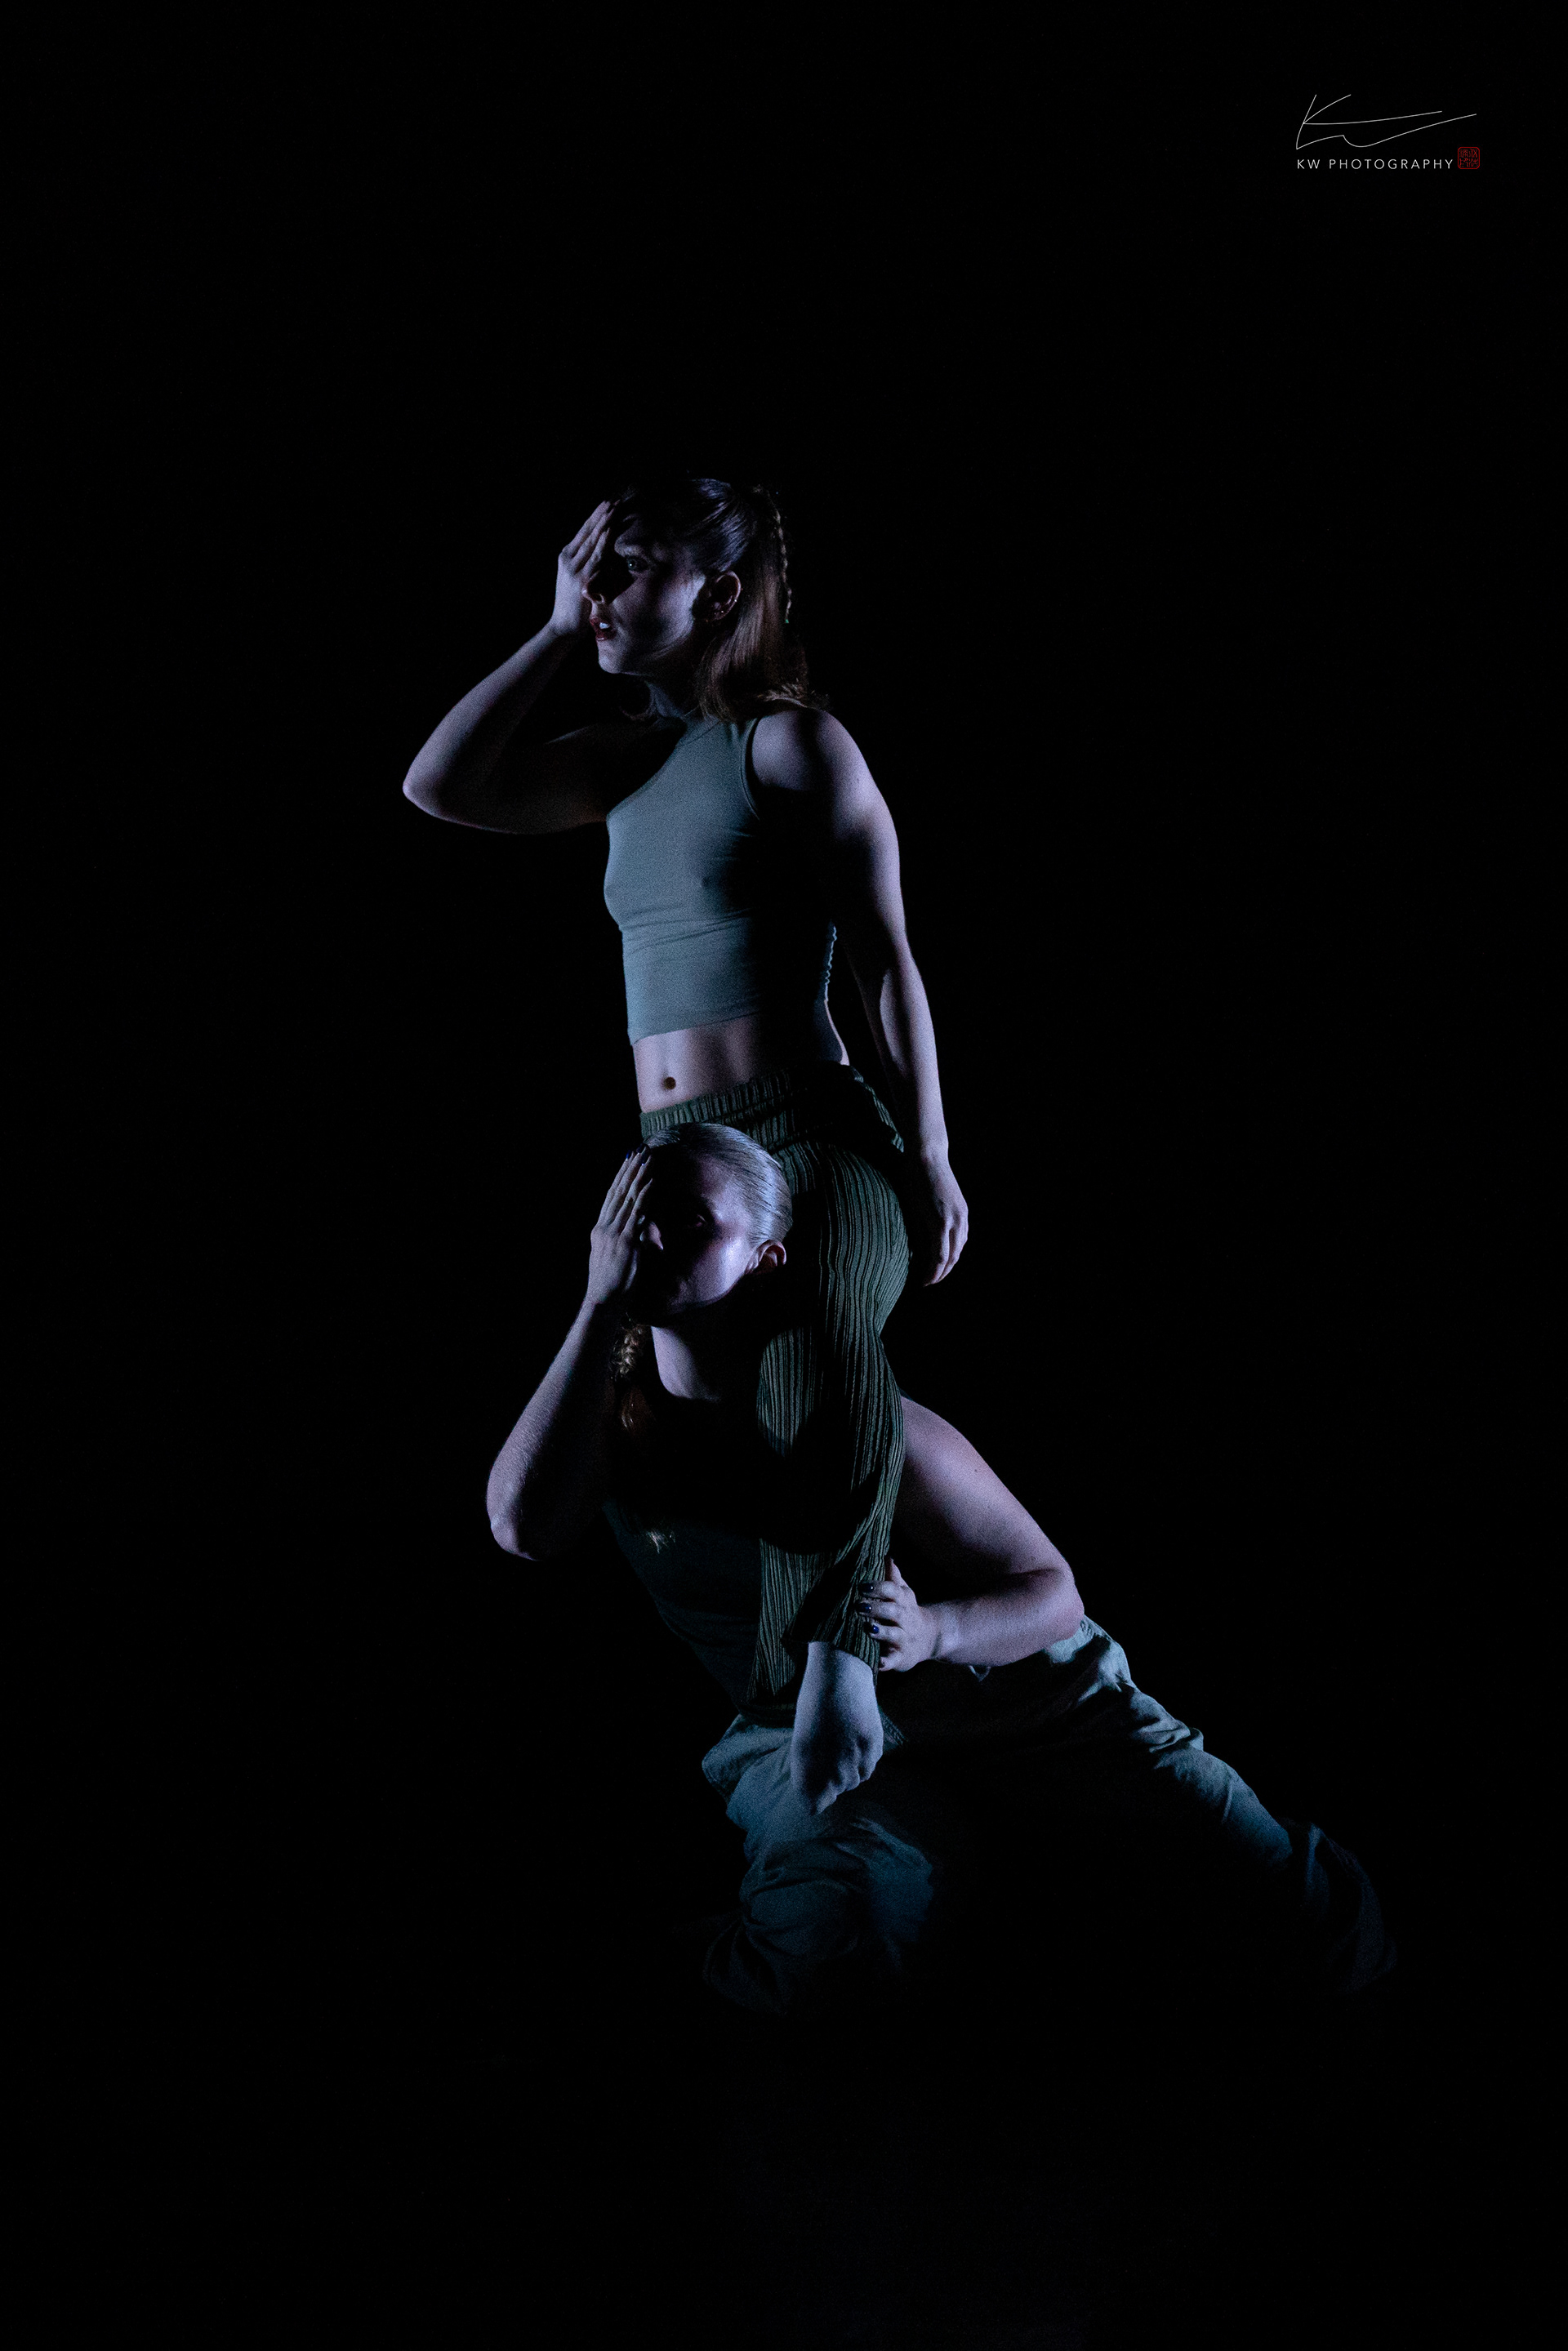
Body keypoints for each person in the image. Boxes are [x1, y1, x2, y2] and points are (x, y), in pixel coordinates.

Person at [486, 1129, 1394, 2019]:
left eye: (689, 1219)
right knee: (836, 1942)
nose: (647, 1236)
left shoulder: (871, 1420)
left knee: (1290, 1909)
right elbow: (523, 1526)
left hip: (1020, 1702)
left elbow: (1053, 1592)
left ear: (766, 1260)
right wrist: (599, 1304)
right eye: (632, 1213)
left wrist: (934, 1632)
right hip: (794, 1729)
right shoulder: (609, 1414)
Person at [404, 478, 966, 1795]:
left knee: (818, 1321)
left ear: (715, 595)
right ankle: (782, 1700)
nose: (597, 590)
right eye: (589, 569)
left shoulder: (790, 745)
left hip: (813, 1134)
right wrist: (557, 629)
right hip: (680, 1148)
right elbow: (438, 784)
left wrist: (932, 1151)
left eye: (626, 568)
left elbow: (886, 959)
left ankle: (839, 1659)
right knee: (654, 1422)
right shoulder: (620, 759)